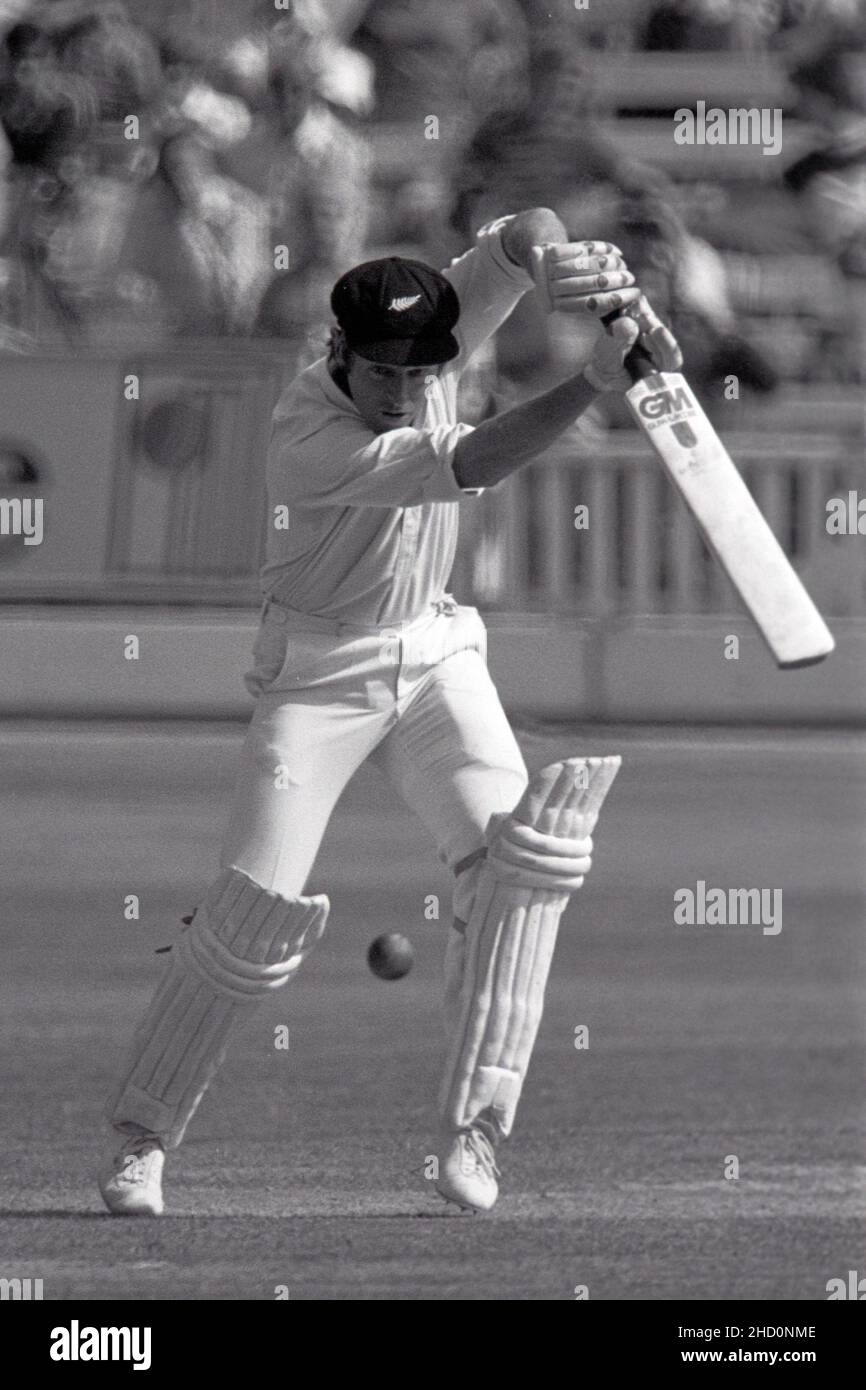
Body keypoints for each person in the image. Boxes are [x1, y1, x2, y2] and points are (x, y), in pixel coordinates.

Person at [98, 208, 681, 1216]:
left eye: (423, 373)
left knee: (524, 860)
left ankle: (475, 1136)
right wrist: (594, 377)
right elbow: (474, 462)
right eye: (387, 376)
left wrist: (573, 273)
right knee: (250, 920)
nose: (409, 390)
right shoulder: (305, 435)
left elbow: (519, 235)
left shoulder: (436, 325)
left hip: (437, 652)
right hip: (319, 670)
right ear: (338, 352)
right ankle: (144, 1140)